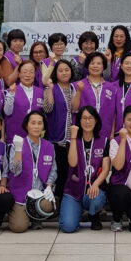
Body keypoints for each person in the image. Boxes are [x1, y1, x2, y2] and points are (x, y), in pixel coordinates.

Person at [59, 106, 110, 232]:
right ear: (79, 121)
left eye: (90, 118)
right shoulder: (72, 141)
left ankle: (94, 215)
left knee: (96, 198)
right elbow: (72, 163)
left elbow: (105, 169)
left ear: (96, 120)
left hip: (94, 189)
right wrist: (73, 137)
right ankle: (76, 211)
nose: (87, 121)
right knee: (68, 226)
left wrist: (96, 184)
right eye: (84, 118)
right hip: (74, 190)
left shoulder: (104, 141)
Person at [7, 110, 56, 233]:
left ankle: (35, 216)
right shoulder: (17, 144)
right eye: (33, 123)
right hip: (21, 194)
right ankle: (22, 212)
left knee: (48, 206)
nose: (36, 126)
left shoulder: (49, 146)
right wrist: (18, 150)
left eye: (40, 123)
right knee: (18, 227)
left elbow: (53, 170)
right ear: (26, 125)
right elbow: (15, 171)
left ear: (43, 126)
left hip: (39, 193)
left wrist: (49, 186)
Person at [42, 59, 77, 199]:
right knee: (58, 172)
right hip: (57, 137)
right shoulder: (51, 88)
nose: (64, 73)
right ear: (55, 73)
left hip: (72, 138)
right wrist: (50, 89)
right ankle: (55, 200)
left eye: (67, 70)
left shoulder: (75, 88)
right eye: (60, 70)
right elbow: (47, 108)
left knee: (70, 171)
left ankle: (68, 200)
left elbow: (76, 109)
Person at [71, 52, 116, 140]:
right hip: (83, 134)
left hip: (105, 133)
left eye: (99, 63)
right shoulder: (77, 85)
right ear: (87, 66)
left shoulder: (111, 88)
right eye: (92, 63)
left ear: (104, 66)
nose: (95, 66)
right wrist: (79, 92)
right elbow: (74, 109)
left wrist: (112, 134)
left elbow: (113, 113)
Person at [3, 60, 44, 145]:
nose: (28, 75)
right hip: (15, 139)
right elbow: (7, 112)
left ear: (35, 74)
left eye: (31, 72)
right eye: (24, 72)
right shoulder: (10, 91)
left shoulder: (41, 92)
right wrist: (11, 94)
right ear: (19, 74)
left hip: (35, 139)